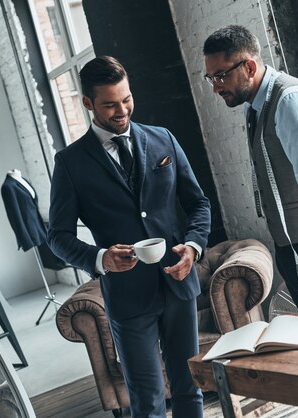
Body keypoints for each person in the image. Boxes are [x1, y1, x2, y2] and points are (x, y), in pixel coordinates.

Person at [48, 56, 210, 418]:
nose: (122, 110)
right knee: (147, 399)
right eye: (110, 104)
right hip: (127, 296)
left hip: (179, 283)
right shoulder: (70, 164)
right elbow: (56, 236)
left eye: (127, 99)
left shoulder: (163, 138)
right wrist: (100, 257)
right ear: (88, 103)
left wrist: (194, 247)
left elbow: (198, 203)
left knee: (190, 387)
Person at [203, 25, 298, 318]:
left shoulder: (290, 102)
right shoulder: (256, 107)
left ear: (249, 66)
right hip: (295, 249)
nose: (215, 86)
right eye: (211, 77)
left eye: (221, 75)